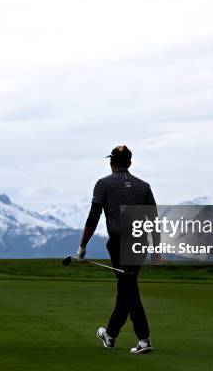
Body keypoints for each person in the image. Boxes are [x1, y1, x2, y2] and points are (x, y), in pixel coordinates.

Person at [75, 145, 159, 354]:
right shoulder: (144, 186)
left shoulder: (104, 184)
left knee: (129, 290)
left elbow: (93, 217)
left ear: (111, 162)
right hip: (140, 243)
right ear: (129, 163)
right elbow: (153, 221)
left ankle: (144, 339)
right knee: (126, 288)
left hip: (119, 243)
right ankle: (110, 335)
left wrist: (82, 247)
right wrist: (157, 250)